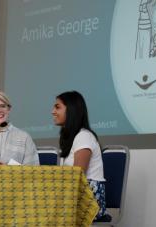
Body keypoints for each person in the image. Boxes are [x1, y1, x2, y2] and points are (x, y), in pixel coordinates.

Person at [51, 91, 106, 220]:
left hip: (90, 205)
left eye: (57, 107)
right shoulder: (72, 137)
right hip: (73, 199)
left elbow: (77, 176)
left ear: (71, 110)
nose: (52, 111)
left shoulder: (84, 137)